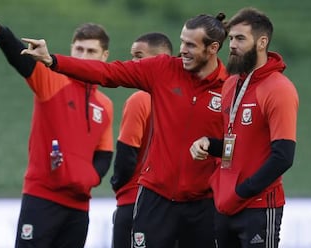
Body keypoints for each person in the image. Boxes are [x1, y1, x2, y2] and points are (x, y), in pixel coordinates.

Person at [21, 13, 229, 248]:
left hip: (202, 203)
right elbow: (109, 73)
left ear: (213, 48)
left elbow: (237, 146)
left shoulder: (230, 86)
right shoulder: (163, 69)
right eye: (181, 41)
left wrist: (212, 146)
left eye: (191, 44)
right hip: (155, 198)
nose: (182, 49)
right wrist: (53, 61)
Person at [0, 21, 114, 248]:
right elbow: (23, 61)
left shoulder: (105, 105)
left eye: (91, 51)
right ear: (71, 49)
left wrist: (88, 178)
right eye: (79, 49)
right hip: (42, 198)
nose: (83, 56)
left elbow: (105, 154)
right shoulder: (52, 80)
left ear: (104, 55)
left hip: (79, 207)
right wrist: (2, 33)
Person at [189, 7, 299, 248]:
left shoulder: (279, 89)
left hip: (258, 207)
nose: (232, 45)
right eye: (231, 39)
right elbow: (234, 145)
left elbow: (283, 156)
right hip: (226, 205)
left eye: (240, 38)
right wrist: (209, 143)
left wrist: (242, 192)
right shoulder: (230, 85)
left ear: (262, 42)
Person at [110, 32, 173, 248]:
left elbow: (127, 154)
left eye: (138, 56)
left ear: (161, 59)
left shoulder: (140, 98)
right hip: (170, 207)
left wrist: (117, 184)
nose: (132, 63)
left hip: (135, 201)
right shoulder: (181, 100)